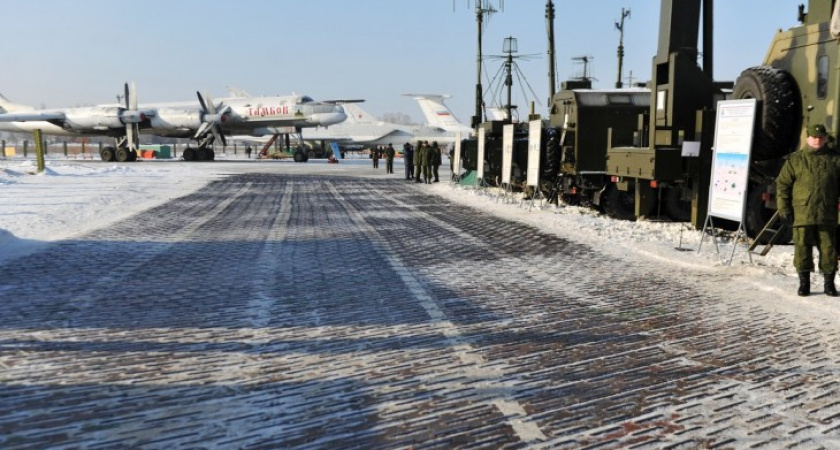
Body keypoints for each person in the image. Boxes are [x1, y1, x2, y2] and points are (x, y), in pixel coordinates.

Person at [777, 123, 840, 297]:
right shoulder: (795, 160)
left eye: (821, 137)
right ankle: (804, 284)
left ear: (826, 138)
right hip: (801, 214)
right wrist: (784, 210)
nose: (817, 140)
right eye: (814, 137)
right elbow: (783, 186)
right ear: (808, 138)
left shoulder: (835, 160)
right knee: (802, 249)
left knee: (829, 250)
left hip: (827, 214)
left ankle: (829, 284)